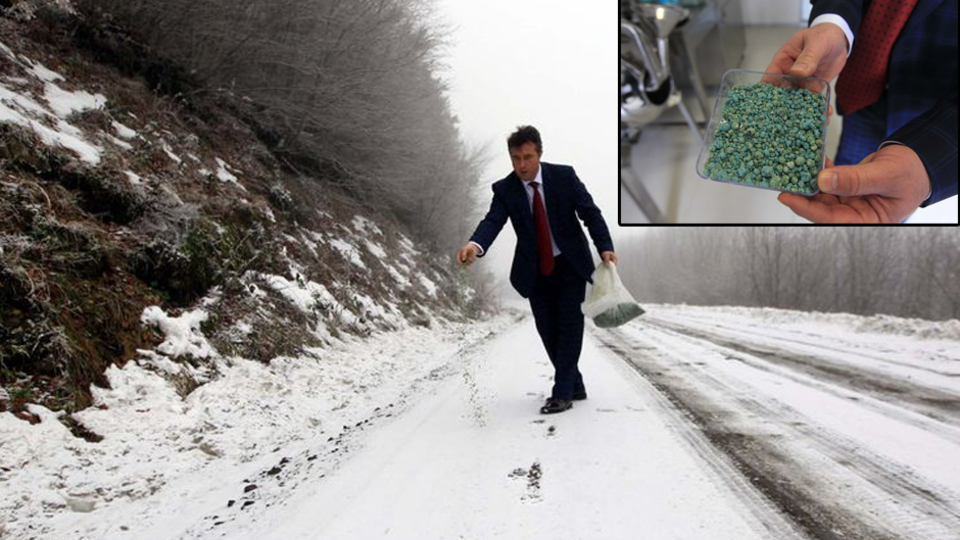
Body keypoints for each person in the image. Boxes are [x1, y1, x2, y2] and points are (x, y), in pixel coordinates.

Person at [457, 126, 616, 415]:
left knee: (569, 327)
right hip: (535, 270)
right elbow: (493, 221)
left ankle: (562, 392)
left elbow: (590, 213)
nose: (521, 165)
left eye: (527, 157)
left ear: (539, 154)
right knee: (548, 331)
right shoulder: (505, 189)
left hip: (569, 265)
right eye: (515, 158)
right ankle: (574, 383)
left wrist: (604, 246)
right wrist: (475, 245)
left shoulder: (564, 177)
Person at [767, 0, 957, 223]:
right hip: (861, 85)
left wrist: (927, 165)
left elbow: (905, 182)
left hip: (936, 109)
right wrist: (833, 23)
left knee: (893, 191)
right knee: (848, 164)